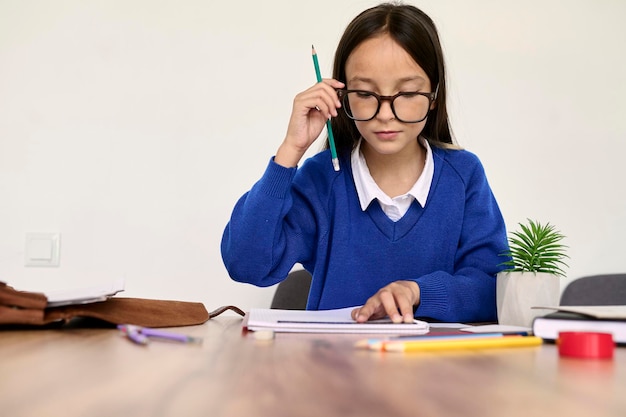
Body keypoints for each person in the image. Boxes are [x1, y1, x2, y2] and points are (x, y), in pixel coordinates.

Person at [221, 2, 509, 324]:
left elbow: (492, 288)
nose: (385, 114)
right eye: (366, 93)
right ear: (341, 96)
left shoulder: (464, 175)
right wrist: (290, 150)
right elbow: (245, 263)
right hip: (333, 369)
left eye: (407, 93)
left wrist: (418, 293)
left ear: (434, 96)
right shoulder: (322, 178)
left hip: (434, 370)